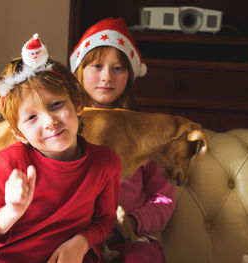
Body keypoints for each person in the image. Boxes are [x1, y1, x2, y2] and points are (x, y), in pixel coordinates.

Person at [0, 33, 122, 263]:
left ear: (77, 103)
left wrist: (81, 242)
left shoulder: (106, 163)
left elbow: (105, 220)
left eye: (56, 105)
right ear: (18, 133)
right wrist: (9, 213)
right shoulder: (7, 163)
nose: (50, 121)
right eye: (31, 117)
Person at [70, 17, 175, 263]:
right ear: (80, 70)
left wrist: (132, 222)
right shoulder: (63, 127)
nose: (107, 77)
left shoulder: (145, 132)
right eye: (96, 66)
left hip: (131, 237)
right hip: (74, 235)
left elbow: (164, 197)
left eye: (118, 68)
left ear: (130, 75)